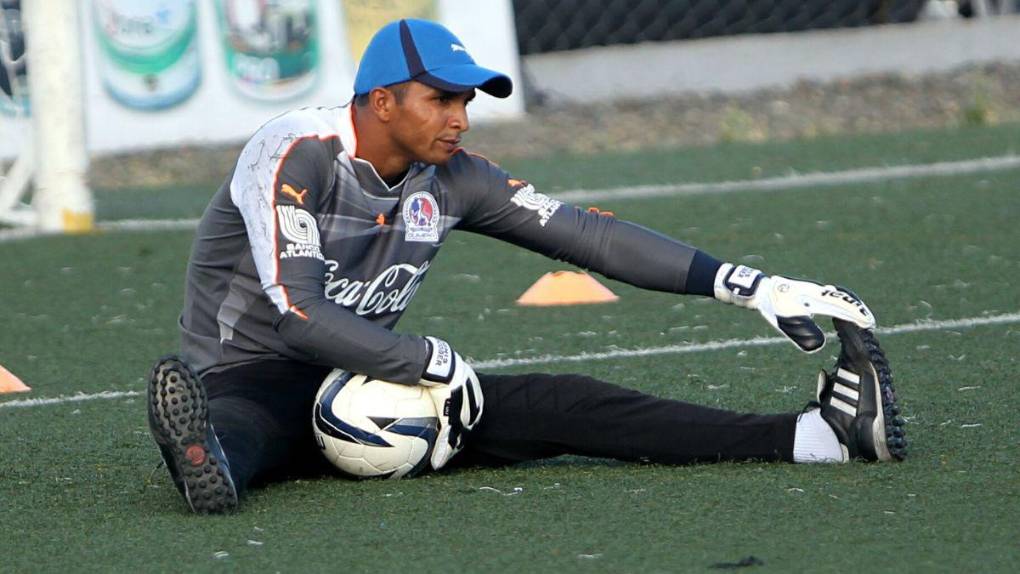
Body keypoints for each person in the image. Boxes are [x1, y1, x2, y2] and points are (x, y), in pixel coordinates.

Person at [147, 19, 906, 514]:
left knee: (565, 403)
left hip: (369, 385)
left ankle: (820, 437)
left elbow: (590, 238)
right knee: (248, 423)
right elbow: (300, 315)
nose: (461, 117)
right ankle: (206, 458)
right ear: (381, 101)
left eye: (466, 100)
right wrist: (426, 359)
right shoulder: (295, 153)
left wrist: (748, 284)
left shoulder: (458, 176)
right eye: (441, 98)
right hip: (248, 370)